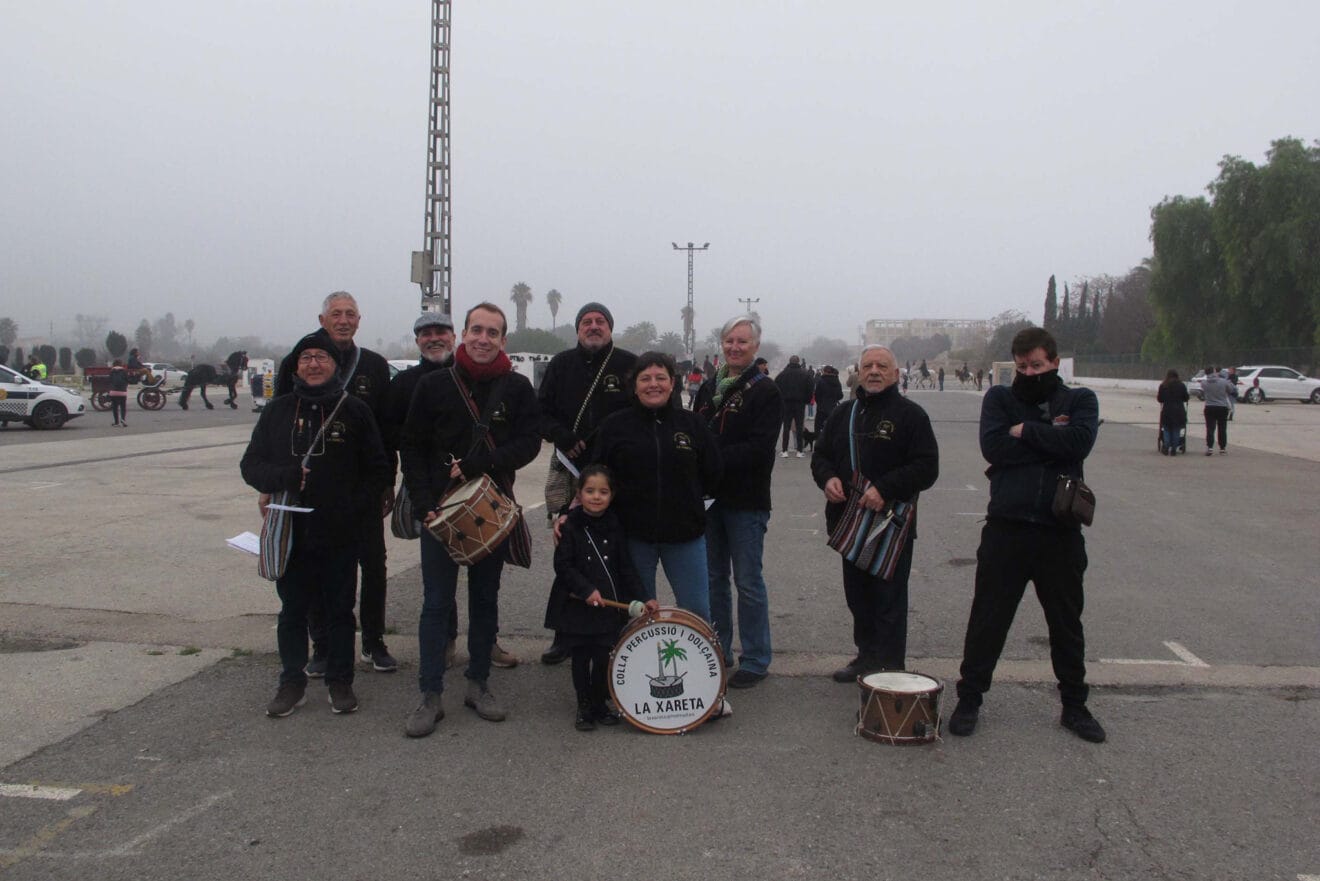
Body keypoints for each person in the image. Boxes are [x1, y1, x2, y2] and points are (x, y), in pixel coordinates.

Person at [948, 326, 1105, 743]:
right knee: (988, 620)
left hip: (1060, 531)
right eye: (1022, 366)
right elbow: (994, 448)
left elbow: (1078, 443)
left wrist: (1026, 432)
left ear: (1054, 362)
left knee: (1066, 623)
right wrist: (1049, 439)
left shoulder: (1080, 399)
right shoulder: (1000, 398)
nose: (1030, 372)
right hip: (1007, 530)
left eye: (1037, 365)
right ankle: (970, 698)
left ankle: (1075, 704)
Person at [401, 302, 542, 736]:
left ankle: (478, 683)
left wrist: (483, 463)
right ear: (463, 333)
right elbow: (413, 447)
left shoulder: (517, 388)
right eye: (476, 330)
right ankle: (430, 694)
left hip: (490, 510)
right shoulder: (433, 385)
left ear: (504, 340)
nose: (483, 338)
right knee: (436, 605)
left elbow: (529, 443)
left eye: (493, 332)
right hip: (440, 511)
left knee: (484, 601)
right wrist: (424, 504)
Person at [241, 333, 390, 717]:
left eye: (320, 356)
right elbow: (250, 465)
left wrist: (354, 509)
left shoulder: (354, 410)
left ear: (334, 365)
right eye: (305, 357)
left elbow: (377, 470)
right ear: (295, 365)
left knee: (341, 609)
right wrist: (282, 477)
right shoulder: (277, 411)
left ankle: (340, 680)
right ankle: (292, 682)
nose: (312, 363)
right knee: (292, 610)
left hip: (340, 531)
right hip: (290, 530)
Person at [275, 293, 397, 675]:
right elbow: (280, 421)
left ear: (359, 320)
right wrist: (279, 480)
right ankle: (322, 645)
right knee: (315, 568)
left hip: (363, 487)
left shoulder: (375, 366)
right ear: (322, 319)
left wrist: (387, 482)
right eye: (335, 314)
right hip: (311, 488)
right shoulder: (301, 357)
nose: (343, 320)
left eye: (350, 314)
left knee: (374, 564)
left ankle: (374, 641)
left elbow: (387, 430)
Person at [811, 345, 939, 682]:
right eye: (868, 365)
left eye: (882, 366)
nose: (874, 371)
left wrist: (885, 488)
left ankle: (890, 668)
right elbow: (820, 456)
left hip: (890, 526)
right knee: (858, 598)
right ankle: (866, 657)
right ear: (858, 372)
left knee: (889, 602)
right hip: (849, 522)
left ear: (896, 374)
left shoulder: (911, 416)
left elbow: (927, 467)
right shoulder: (843, 413)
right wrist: (828, 478)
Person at [386, 311, 493, 671]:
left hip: (478, 492)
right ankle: (444, 643)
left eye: (441, 332)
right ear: (417, 340)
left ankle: (486, 645)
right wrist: (415, 493)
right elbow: (401, 441)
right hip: (432, 495)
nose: (434, 338)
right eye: (426, 333)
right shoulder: (405, 384)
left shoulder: (476, 377)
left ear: (454, 337)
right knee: (439, 589)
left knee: (483, 587)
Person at [537, 302, 637, 666]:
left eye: (600, 321)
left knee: (616, 554)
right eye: (586, 322)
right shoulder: (561, 364)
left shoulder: (628, 363)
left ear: (610, 327)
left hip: (614, 473)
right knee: (569, 552)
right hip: (568, 468)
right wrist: (562, 436)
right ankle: (565, 634)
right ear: (577, 329)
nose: (593, 326)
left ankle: (617, 630)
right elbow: (540, 411)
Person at [588, 352, 722, 622]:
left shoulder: (692, 424)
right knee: (638, 615)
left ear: (673, 383)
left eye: (661, 378)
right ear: (634, 385)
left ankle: (698, 664)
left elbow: (714, 473)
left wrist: (690, 501)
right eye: (645, 378)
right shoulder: (614, 426)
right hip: (633, 537)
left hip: (686, 536)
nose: (653, 384)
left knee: (696, 612)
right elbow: (596, 476)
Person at [694, 316, 780, 689]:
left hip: (746, 501)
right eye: (729, 340)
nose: (734, 347)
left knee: (747, 581)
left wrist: (711, 459)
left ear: (756, 346)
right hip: (709, 501)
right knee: (713, 580)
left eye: (742, 342)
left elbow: (760, 449)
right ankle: (718, 649)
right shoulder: (708, 387)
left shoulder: (765, 391)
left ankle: (757, 658)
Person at [544, 464, 656, 730]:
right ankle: (583, 706)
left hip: (608, 606)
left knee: (605, 656)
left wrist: (644, 597)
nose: (596, 497)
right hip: (578, 605)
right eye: (590, 491)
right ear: (579, 494)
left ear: (612, 495)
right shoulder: (570, 525)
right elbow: (563, 566)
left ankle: (598, 702)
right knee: (581, 657)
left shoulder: (616, 524)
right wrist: (586, 590)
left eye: (603, 492)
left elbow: (626, 566)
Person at [774, 355, 813, 458]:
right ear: (798, 362)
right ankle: (799, 451)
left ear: (789, 362)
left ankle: (784, 450)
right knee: (799, 427)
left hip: (786, 403)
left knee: (786, 427)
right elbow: (810, 388)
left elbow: (775, 387)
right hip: (800, 403)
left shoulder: (782, 374)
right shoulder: (805, 374)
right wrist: (807, 400)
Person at [1201, 366, 1234, 456]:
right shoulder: (1223, 381)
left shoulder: (1204, 383)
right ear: (1214, 372)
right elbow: (1231, 389)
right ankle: (1222, 448)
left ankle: (1210, 447)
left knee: (1210, 428)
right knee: (1222, 428)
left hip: (1209, 406)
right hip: (1222, 407)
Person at [1156, 369, 1189, 455]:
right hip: (1178, 410)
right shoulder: (1181, 385)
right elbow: (1186, 398)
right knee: (1176, 429)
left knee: (1166, 429)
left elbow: (1160, 399)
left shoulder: (1163, 385)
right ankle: (1174, 448)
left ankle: (1166, 446)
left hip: (1167, 410)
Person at [107, 360, 129, 427]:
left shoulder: (111, 371)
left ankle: (116, 422)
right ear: (121, 364)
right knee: (123, 407)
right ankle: (123, 419)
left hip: (113, 392)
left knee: (115, 408)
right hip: (122, 392)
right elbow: (127, 380)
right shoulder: (124, 371)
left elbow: (109, 380)